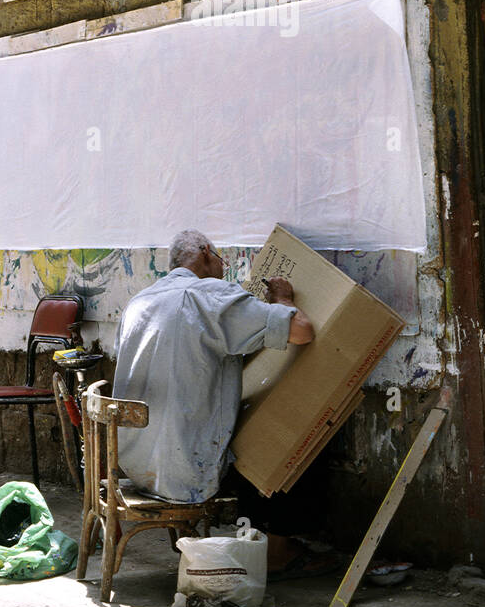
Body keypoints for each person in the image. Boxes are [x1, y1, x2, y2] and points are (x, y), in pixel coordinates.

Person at [112, 229, 338, 578]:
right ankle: (277, 551)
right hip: (186, 471)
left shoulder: (140, 301)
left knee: (243, 417)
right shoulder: (210, 295)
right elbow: (303, 331)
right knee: (294, 427)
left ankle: (255, 535)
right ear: (205, 254)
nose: (224, 267)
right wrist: (283, 299)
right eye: (221, 258)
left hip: (134, 464)